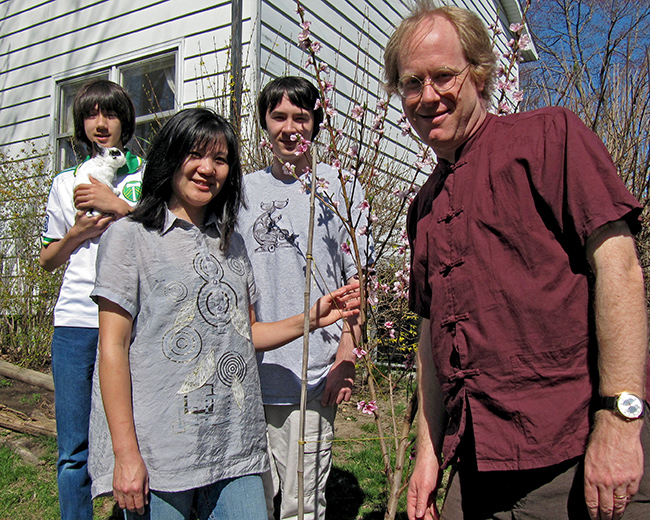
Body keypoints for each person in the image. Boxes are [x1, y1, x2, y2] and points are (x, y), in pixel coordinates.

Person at [383, 3, 650, 520]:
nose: (428, 95)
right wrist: (427, 454)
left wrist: (619, 421)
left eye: (443, 76)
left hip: (573, 458)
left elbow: (620, 268)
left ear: (479, 75)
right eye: (411, 83)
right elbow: (429, 338)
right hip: (478, 466)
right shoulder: (423, 208)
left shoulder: (550, 138)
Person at [86, 107, 361, 520]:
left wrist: (314, 316)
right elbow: (112, 348)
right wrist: (125, 454)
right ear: (170, 157)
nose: (207, 169)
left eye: (220, 159)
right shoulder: (130, 238)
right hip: (162, 450)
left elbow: (246, 333)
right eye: (195, 155)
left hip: (235, 445)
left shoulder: (230, 242)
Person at [237, 76, 369, 520]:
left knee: (301, 505)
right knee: (255, 503)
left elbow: (356, 283)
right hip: (252, 376)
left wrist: (346, 356)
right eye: (279, 116)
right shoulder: (242, 193)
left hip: (312, 378)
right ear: (264, 124)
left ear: (316, 123)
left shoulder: (341, 188)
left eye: (302, 116)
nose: (290, 127)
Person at [40, 79, 143, 520]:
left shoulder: (147, 172)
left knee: (141, 439)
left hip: (136, 320)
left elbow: (166, 229)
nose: (101, 124)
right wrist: (77, 233)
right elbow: (47, 259)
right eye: (90, 115)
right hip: (77, 321)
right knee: (72, 451)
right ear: (81, 124)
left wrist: (115, 204)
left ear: (125, 121)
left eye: (111, 114)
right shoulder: (66, 181)